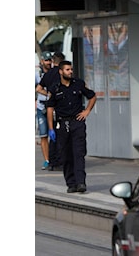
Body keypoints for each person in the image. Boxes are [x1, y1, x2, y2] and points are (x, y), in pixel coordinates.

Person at [46, 61, 96, 194]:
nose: (70, 72)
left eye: (71, 69)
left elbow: (92, 96)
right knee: (66, 155)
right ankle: (71, 183)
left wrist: (87, 111)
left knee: (79, 153)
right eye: (67, 70)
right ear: (61, 72)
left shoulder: (78, 84)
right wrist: (51, 128)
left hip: (77, 123)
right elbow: (50, 108)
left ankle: (81, 182)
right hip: (62, 124)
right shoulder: (55, 88)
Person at [36, 52, 66, 171]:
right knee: (60, 134)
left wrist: (49, 94)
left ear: (53, 61)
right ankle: (58, 160)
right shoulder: (62, 73)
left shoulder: (48, 75)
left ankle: (51, 161)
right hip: (59, 107)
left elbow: (38, 88)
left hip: (49, 107)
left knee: (51, 133)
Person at [35, 51, 52, 170]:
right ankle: (47, 160)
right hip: (42, 107)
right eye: (46, 60)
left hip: (53, 107)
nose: (48, 63)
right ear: (42, 62)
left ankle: (56, 158)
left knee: (56, 134)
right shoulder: (37, 74)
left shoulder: (55, 73)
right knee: (44, 135)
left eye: (50, 60)